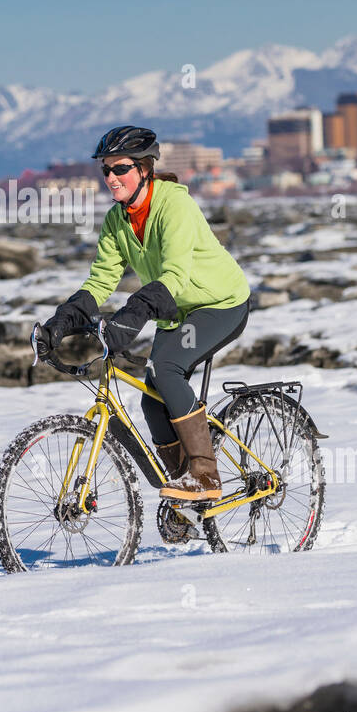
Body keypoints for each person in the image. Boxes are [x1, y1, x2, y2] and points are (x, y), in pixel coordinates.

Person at [36, 126, 251, 502]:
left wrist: (132, 315)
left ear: (145, 168)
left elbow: (174, 275)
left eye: (119, 169)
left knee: (165, 369)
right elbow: (101, 280)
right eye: (105, 170)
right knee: (153, 398)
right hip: (176, 311)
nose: (111, 178)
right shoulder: (117, 220)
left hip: (219, 303)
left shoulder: (175, 206)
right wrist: (63, 321)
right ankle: (183, 493)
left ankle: (205, 476)